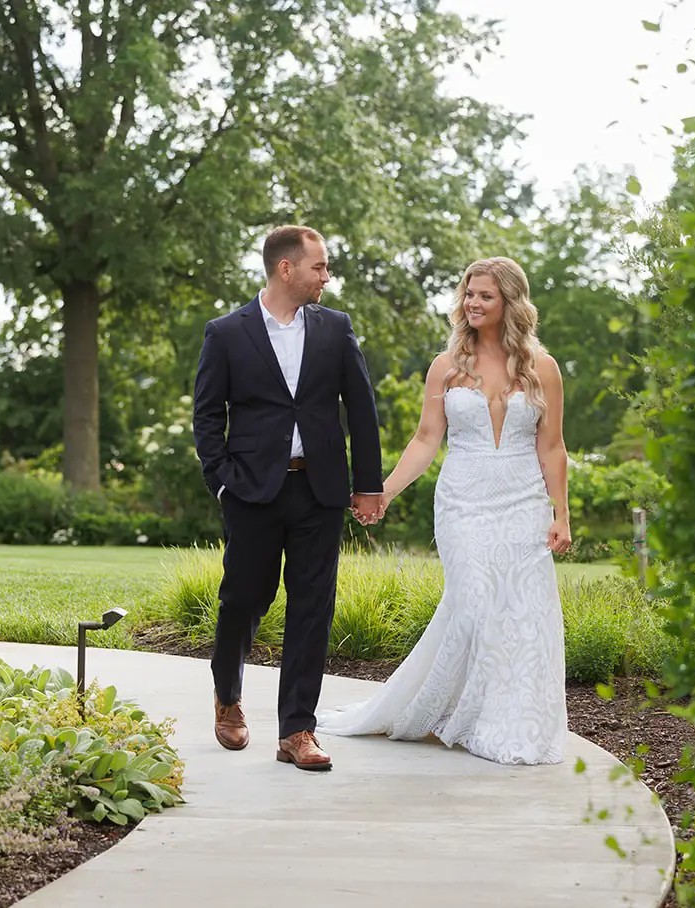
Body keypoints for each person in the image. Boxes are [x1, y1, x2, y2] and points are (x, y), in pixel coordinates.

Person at [317, 256, 570, 765]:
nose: (473, 304)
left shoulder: (542, 368)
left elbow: (553, 448)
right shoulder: (447, 366)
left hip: (523, 502)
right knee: (476, 603)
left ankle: (508, 722)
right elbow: (426, 438)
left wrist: (561, 514)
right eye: (469, 295)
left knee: (521, 613)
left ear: (510, 303)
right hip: (463, 502)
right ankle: (466, 712)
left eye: (485, 296)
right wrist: (383, 491)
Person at [192, 225, 383, 772]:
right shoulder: (226, 333)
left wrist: (367, 486)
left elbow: (362, 410)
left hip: (320, 491)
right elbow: (207, 416)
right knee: (244, 599)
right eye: (320, 266)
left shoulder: (335, 328)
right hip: (251, 492)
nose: (327, 276)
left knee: (312, 607)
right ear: (286, 269)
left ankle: (297, 729)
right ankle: (228, 695)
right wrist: (222, 480)